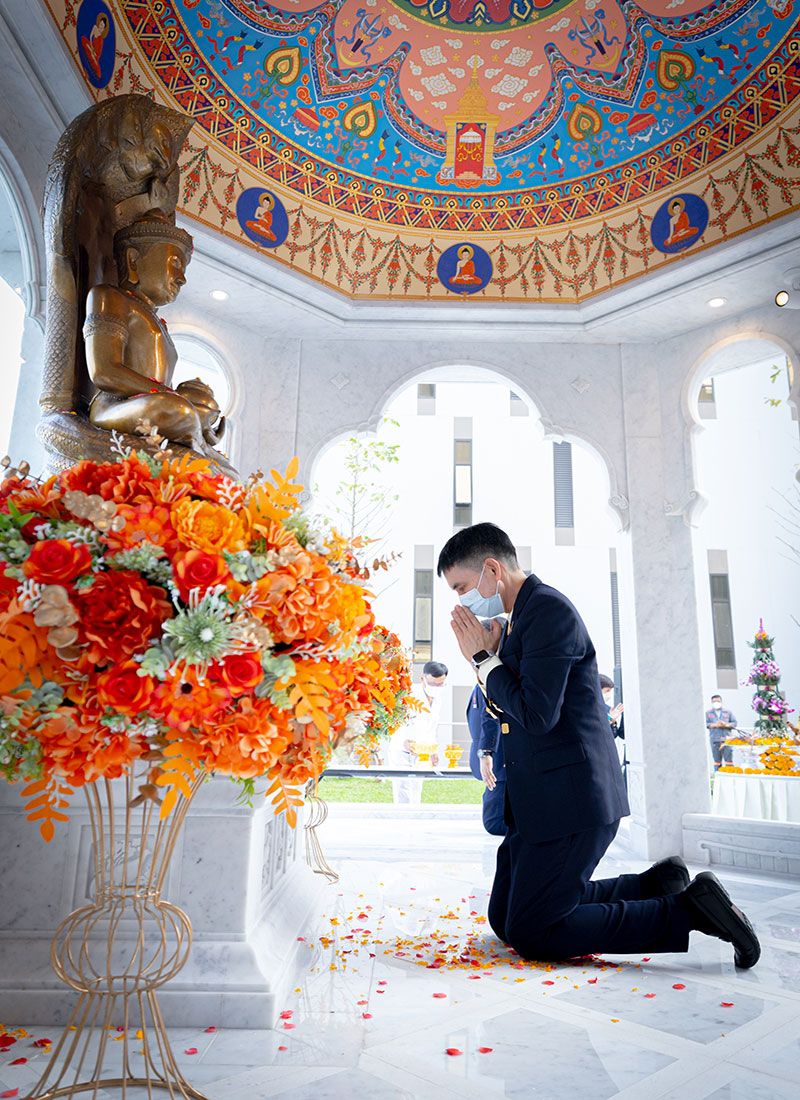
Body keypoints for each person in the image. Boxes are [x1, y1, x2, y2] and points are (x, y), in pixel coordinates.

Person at [438, 522, 760, 968]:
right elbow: (507, 709)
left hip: (571, 799)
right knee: (505, 918)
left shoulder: (548, 612)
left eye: (461, 588)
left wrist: (483, 658)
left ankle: (691, 910)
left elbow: (536, 714)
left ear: (491, 570)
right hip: (538, 799)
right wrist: (489, 660)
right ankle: (653, 885)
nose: (462, 603)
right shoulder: (517, 621)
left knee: (533, 932)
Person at [389, 661, 448, 804]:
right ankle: (403, 817)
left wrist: (433, 750)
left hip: (422, 752)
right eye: (433, 684)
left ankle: (415, 817)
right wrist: (403, 740)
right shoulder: (409, 694)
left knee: (416, 791)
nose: (436, 688)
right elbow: (394, 721)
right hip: (402, 751)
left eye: (440, 684)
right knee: (403, 793)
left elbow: (432, 727)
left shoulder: (438, 700)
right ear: (422, 678)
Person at [467, 683, 506, 836]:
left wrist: (486, 753)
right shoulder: (479, 686)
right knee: (494, 822)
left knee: (494, 823)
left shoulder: (492, 681)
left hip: (500, 764)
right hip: (492, 764)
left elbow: (492, 719)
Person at [601, 673, 626, 783]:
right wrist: (610, 718)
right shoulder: (589, 707)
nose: (609, 695)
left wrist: (614, 722)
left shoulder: (608, 709)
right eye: (606, 691)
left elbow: (613, 734)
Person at [705, 695, 738, 771]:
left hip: (727, 739)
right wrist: (715, 725)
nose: (716, 703)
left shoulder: (728, 712)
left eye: (718, 701)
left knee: (729, 760)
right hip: (715, 739)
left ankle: (730, 775)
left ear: (721, 702)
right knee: (717, 761)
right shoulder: (708, 713)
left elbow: (734, 723)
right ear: (711, 702)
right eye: (714, 701)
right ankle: (718, 775)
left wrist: (726, 725)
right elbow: (705, 724)